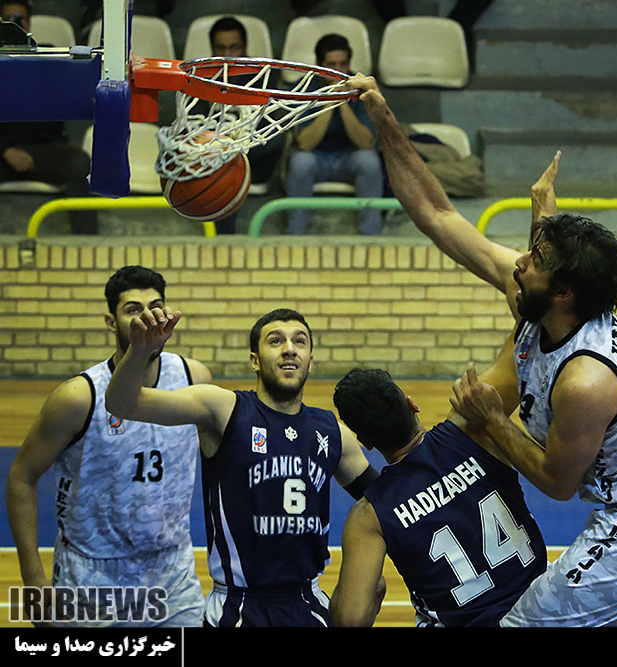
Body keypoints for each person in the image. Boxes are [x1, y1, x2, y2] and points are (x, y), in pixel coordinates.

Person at [346, 74, 617, 627]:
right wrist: (385, 123)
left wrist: (496, 422)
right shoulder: (552, 304)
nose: (519, 261)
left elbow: (557, 483)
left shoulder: (585, 381)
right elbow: (438, 216)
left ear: (562, 292)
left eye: (536, 258)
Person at [105, 306, 379, 627]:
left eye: (300, 342)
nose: (289, 348)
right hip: (238, 607)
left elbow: (387, 499)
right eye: (275, 341)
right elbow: (122, 403)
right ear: (254, 360)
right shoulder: (222, 409)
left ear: (309, 361)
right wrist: (140, 352)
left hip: (308, 603)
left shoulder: (332, 431)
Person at [5, 266, 210, 627]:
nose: (148, 317)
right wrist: (33, 579)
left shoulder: (194, 378)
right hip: (91, 578)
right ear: (111, 322)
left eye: (156, 306)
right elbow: (22, 477)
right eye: (133, 309)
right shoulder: (77, 397)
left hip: (172, 573)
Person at [329, 367, 547, 627]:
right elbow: (514, 361)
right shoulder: (472, 430)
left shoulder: (367, 517)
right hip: (543, 609)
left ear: (364, 441)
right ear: (412, 405)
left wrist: (364, 586)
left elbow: (350, 620)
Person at [0, 1, 98, 235]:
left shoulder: (46, 56)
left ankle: (84, 245)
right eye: (10, 19)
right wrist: (6, 150)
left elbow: (57, 113)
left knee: (80, 163)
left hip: (46, 149)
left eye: (22, 19)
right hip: (3, 152)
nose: (18, 24)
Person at [285, 34, 383, 236]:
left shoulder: (361, 89)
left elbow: (365, 142)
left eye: (343, 64)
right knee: (301, 161)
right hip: (315, 159)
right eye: (331, 65)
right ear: (319, 65)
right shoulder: (305, 88)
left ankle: (371, 235)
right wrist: (330, 102)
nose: (338, 71)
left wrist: (343, 100)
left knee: (369, 161)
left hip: (348, 158)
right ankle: (295, 234)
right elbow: (304, 144)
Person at [206, 16, 286, 234]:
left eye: (235, 47)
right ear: (212, 48)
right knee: (221, 159)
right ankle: (225, 239)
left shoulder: (263, 76)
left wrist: (237, 142)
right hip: (216, 154)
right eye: (221, 48)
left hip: (256, 156)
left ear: (245, 47)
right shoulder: (201, 76)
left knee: (233, 158)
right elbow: (194, 124)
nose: (229, 55)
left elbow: (271, 130)